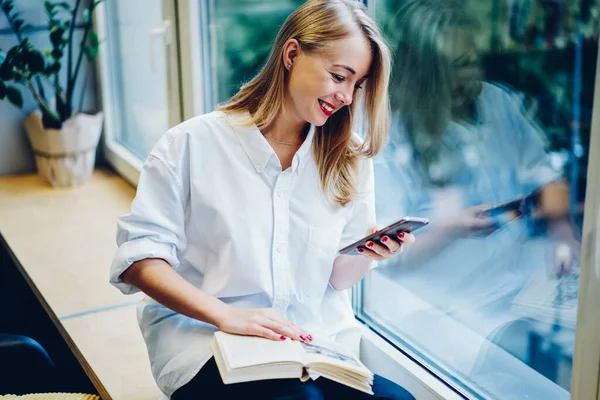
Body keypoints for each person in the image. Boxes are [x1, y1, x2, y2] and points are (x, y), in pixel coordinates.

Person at [109, 1, 415, 399]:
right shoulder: (190, 145)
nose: (345, 96)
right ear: (291, 54)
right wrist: (228, 316)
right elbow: (139, 262)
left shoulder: (348, 157)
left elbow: (336, 278)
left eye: (357, 86)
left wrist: (369, 252)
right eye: (339, 76)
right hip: (208, 341)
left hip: (311, 344)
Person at [373, 0, 580, 396]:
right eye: (450, 68)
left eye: (469, 61)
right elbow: (388, 257)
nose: (466, 77)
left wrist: (562, 232)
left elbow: (546, 176)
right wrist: (450, 227)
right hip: (448, 307)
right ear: (422, 73)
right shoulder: (391, 133)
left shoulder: (497, 102)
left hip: (523, 281)